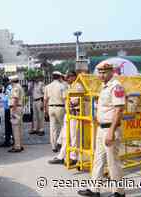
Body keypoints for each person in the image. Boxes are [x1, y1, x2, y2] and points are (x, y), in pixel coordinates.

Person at [78, 61, 126, 197]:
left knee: (113, 162)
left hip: (111, 129)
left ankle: (119, 192)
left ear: (112, 72)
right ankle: (94, 190)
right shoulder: (104, 86)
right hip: (101, 128)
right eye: (99, 72)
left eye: (104, 72)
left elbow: (119, 109)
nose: (101, 75)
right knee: (98, 159)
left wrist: (110, 131)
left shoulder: (116, 86)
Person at [48, 71, 78, 165]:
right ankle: (61, 156)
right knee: (65, 136)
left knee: (73, 136)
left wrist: (70, 103)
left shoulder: (78, 86)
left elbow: (75, 101)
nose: (66, 79)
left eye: (68, 77)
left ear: (73, 77)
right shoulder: (69, 86)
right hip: (68, 113)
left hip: (75, 114)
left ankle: (73, 157)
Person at [44, 71, 67, 153]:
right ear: (60, 77)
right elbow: (65, 99)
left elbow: (45, 100)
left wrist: (45, 110)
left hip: (51, 107)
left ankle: (53, 146)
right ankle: (60, 142)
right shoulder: (62, 86)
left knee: (52, 128)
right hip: (60, 107)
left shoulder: (47, 86)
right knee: (64, 126)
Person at [8, 75, 24, 153]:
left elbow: (15, 99)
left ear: (12, 81)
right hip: (18, 108)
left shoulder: (16, 88)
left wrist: (13, 111)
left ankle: (17, 147)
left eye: (10, 81)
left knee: (15, 128)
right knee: (19, 128)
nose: (9, 83)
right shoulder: (19, 87)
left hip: (15, 108)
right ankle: (20, 145)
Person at [0, 77, 14, 147]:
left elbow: (10, 97)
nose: (4, 84)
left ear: (7, 82)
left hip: (9, 108)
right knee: (7, 125)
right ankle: (8, 140)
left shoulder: (9, 87)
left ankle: (9, 141)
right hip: (6, 108)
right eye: (3, 83)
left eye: (4, 82)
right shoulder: (5, 87)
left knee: (9, 125)